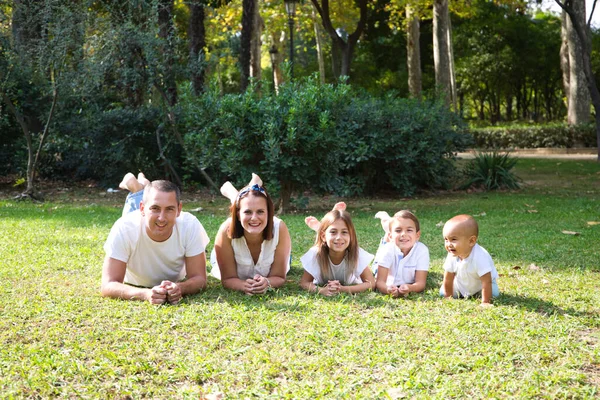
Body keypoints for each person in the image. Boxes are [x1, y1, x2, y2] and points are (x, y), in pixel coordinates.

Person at [101, 173, 210, 305]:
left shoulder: (190, 225)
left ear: (179, 209)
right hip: (136, 221)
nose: (162, 217)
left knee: (150, 208)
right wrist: (145, 294)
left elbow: (200, 279)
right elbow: (108, 285)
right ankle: (137, 187)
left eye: (170, 209)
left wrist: (180, 288)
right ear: (142, 208)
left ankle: (143, 185)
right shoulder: (125, 227)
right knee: (134, 201)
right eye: (155, 208)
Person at [211, 174, 291, 295]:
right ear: (238, 215)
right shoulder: (225, 230)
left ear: (269, 214)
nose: (254, 218)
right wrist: (244, 286)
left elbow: (279, 276)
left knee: (247, 202)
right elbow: (227, 279)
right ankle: (237, 196)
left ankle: (239, 194)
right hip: (222, 253)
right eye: (247, 212)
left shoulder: (279, 228)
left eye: (260, 211)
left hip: (281, 254)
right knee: (245, 202)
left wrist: (267, 282)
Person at [300, 203, 375, 296]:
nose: (339, 237)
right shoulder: (315, 253)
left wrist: (343, 289)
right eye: (333, 232)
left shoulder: (356, 253)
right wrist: (321, 290)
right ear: (323, 236)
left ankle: (324, 228)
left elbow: (371, 284)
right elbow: (305, 282)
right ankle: (321, 228)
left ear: (351, 236)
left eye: (344, 232)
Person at [440, 214, 499, 305]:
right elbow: (448, 277)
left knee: (494, 294)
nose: (449, 244)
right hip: (461, 283)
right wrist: (448, 297)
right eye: (446, 239)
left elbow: (486, 281)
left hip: (481, 286)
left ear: (471, 241)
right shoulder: (452, 254)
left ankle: (480, 295)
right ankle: (463, 293)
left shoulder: (480, 256)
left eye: (454, 239)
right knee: (443, 292)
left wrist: (485, 302)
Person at [373, 210, 430, 297]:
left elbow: (420, 284)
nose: (403, 234)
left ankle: (390, 226)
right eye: (398, 230)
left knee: (391, 243)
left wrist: (410, 287)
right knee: (378, 261)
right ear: (391, 236)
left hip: (393, 246)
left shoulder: (422, 250)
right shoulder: (387, 250)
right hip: (384, 261)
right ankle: (387, 228)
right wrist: (387, 289)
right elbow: (380, 282)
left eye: (409, 230)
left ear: (417, 235)